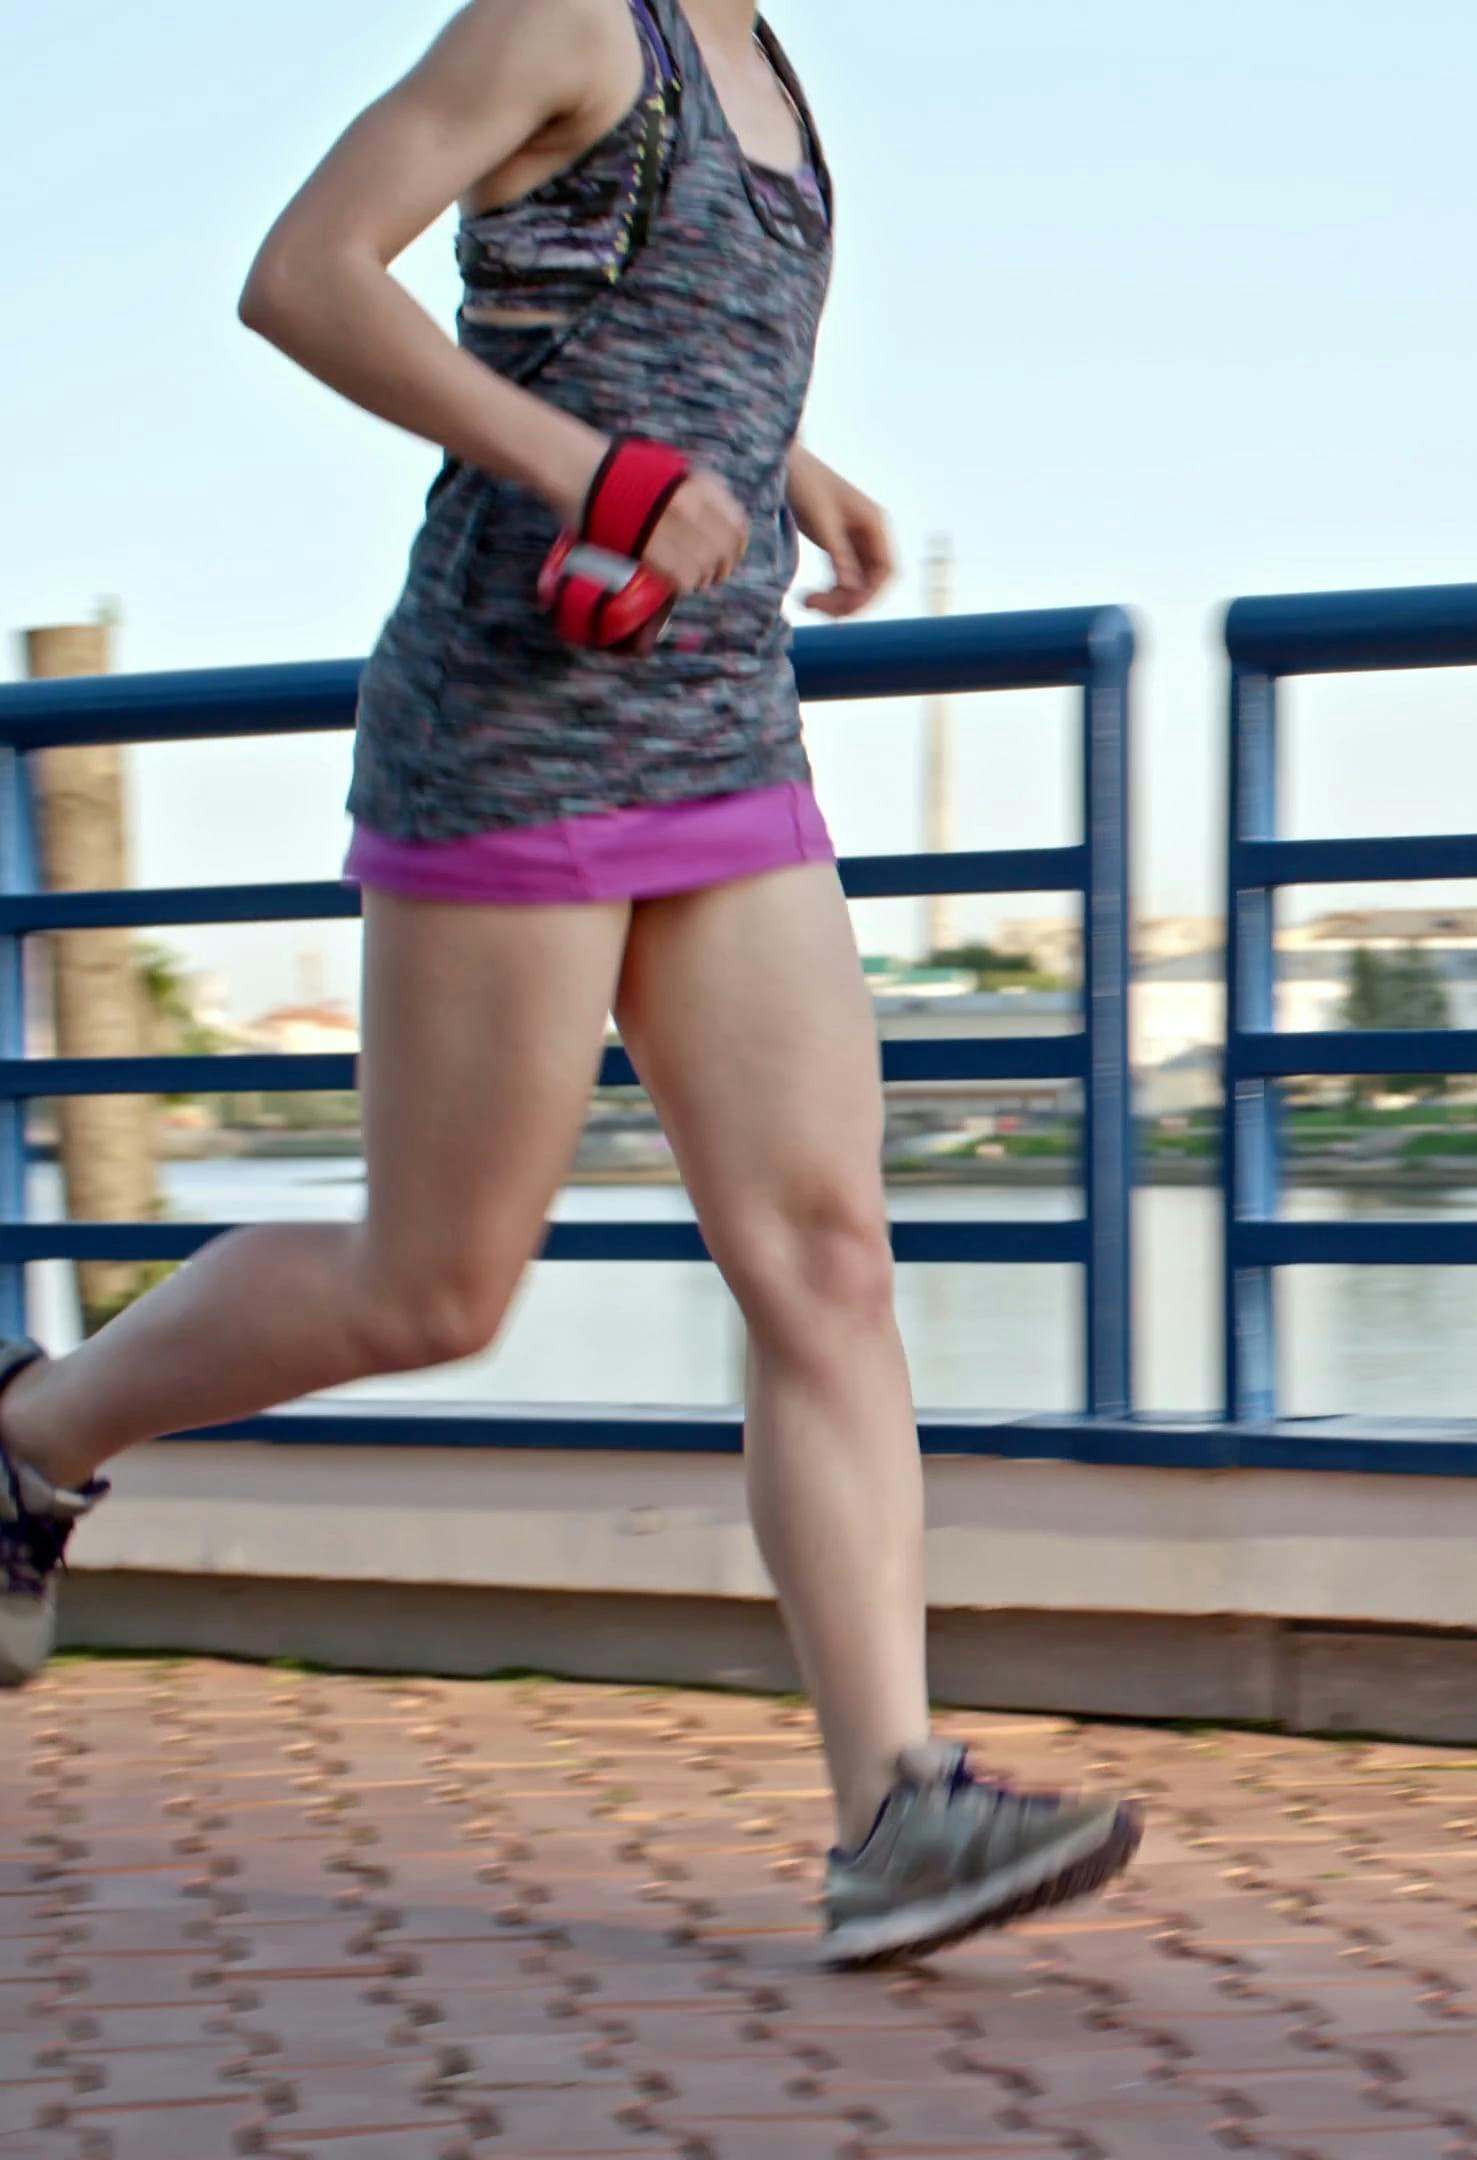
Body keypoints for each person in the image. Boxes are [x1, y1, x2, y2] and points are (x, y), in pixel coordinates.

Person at [0, 0, 1139, 1967]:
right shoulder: (566, 18)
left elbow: (606, 321)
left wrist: (779, 461)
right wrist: (602, 475)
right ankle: (32, 1441)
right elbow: (304, 276)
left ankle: (896, 1811)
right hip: (517, 722)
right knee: (433, 1290)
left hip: (721, 718)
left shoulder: (764, 62)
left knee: (828, 1257)